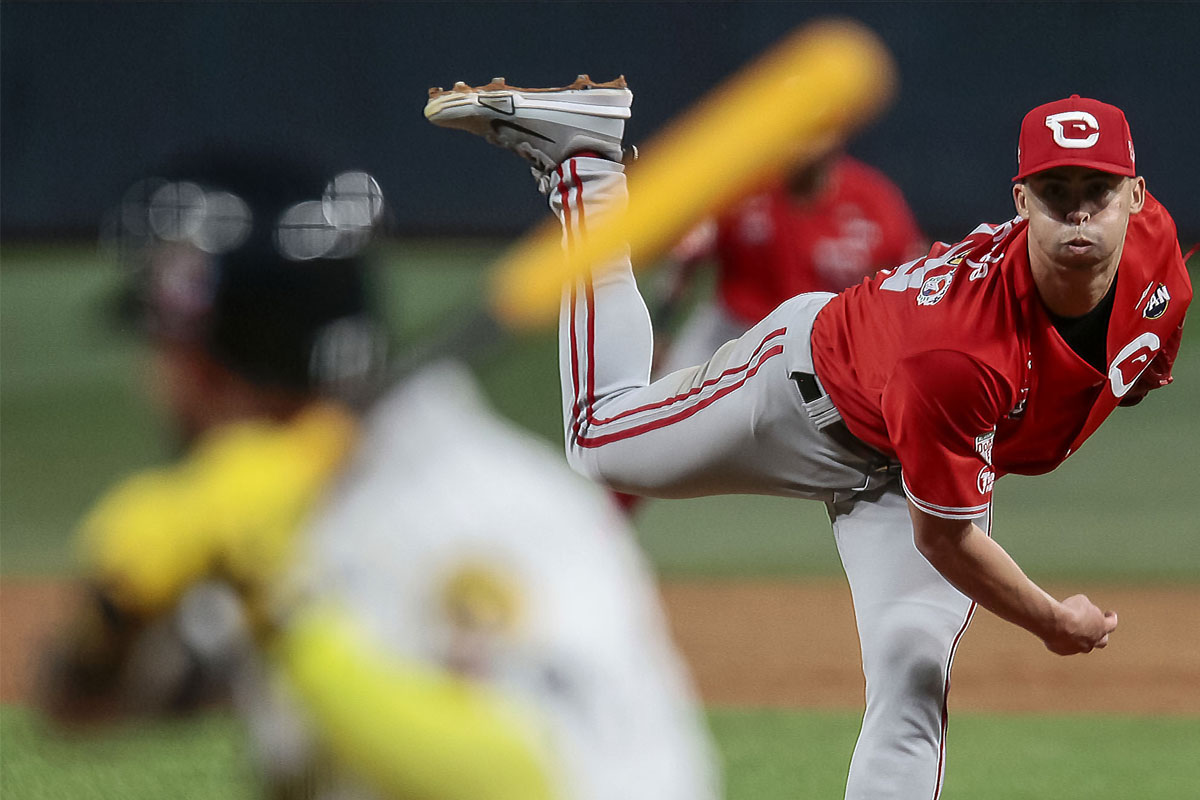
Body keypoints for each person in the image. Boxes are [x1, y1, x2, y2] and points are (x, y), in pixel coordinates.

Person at [426, 82, 1192, 799]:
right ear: (1021, 201)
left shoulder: (1160, 267)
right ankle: (586, 168)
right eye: (1056, 195)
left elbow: (1132, 349)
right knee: (598, 440)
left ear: (1137, 196)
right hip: (803, 393)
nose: (1080, 215)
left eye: (1098, 192)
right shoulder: (959, 356)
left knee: (913, 671)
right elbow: (949, 541)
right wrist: (1051, 622)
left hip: (901, 460)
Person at [41, 146, 718, 800]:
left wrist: (285, 615)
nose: (153, 382)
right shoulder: (264, 503)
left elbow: (526, 783)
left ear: (212, 366)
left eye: (165, 350)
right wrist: (112, 620)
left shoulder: (492, 512)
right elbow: (80, 707)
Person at [657, 146, 926, 374]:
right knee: (666, 405)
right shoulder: (744, 185)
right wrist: (661, 330)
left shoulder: (872, 198)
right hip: (731, 332)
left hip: (821, 341)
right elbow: (688, 260)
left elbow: (911, 274)